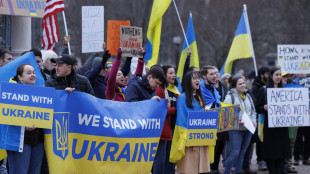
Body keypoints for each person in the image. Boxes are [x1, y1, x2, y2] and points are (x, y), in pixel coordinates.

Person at [6, 64, 44, 174]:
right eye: (28, 73)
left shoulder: (41, 92)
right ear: (20, 77)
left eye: (33, 72)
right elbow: (6, 116)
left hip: (38, 141)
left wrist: (67, 92)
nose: (33, 75)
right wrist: (23, 126)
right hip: (19, 140)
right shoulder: (10, 92)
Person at [170, 71, 210, 173]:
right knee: (189, 169)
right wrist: (186, 137)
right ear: (188, 82)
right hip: (189, 140)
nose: (198, 80)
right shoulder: (182, 98)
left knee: (202, 169)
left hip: (202, 138)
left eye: (198, 78)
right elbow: (181, 120)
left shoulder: (200, 97)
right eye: (194, 78)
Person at [255, 67, 290, 173]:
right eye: (277, 74)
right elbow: (257, 107)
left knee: (282, 155)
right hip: (270, 128)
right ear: (271, 76)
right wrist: (264, 107)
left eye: (280, 75)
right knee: (272, 155)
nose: (279, 77)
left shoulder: (285, 91)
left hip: (282, 128)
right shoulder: (264, 90)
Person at [223, 74, 257, 174]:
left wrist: (254, 121)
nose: (243, 85)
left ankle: (237, 172)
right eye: (240, 84)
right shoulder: (230, 98)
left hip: (248, 130)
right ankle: (227, 172)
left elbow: (253, 111)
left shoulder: (248, 96)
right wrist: (236, 120)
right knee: (235, 154)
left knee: (242, 154)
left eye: (244, 83)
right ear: (234, 86)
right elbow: (225, 114)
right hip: (236, 130)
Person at [153, 65, 180, 174]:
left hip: (174, 129)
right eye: (170, 73)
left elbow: (180, 107)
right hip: (163, 130)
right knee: (161, 160)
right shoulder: (159, 90)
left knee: (170, 160)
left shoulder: (175, 90)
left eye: (174, 73)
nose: (174, 75)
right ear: (164, 75)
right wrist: (176, 110)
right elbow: (161, 111)